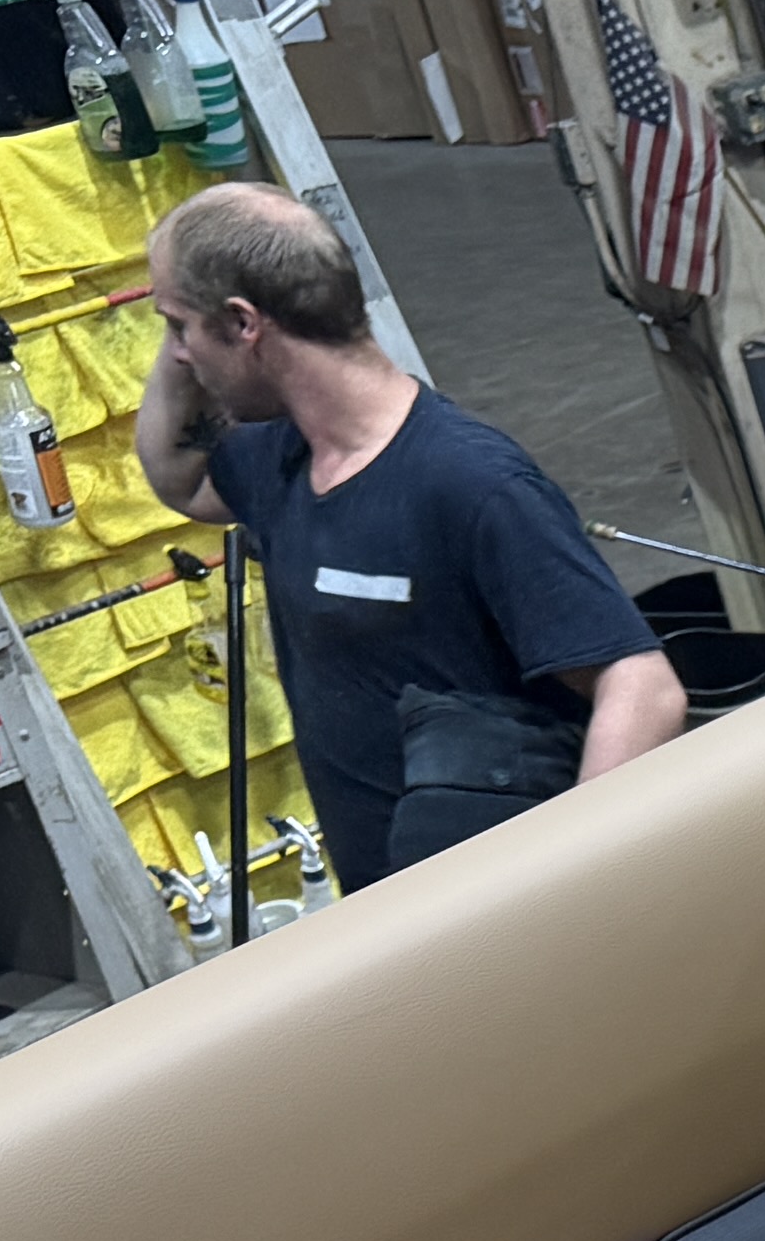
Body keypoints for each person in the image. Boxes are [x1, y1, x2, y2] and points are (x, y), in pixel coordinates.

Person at [130, 179, 680, 895]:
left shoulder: (468, 482)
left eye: (178, 328)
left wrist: (573, 889)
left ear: (243, 323)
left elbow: (644, 689)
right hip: (390, 904)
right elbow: (176, 475)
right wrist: (183, 278)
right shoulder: (278, 459)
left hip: (496, 909)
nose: (177, 356)